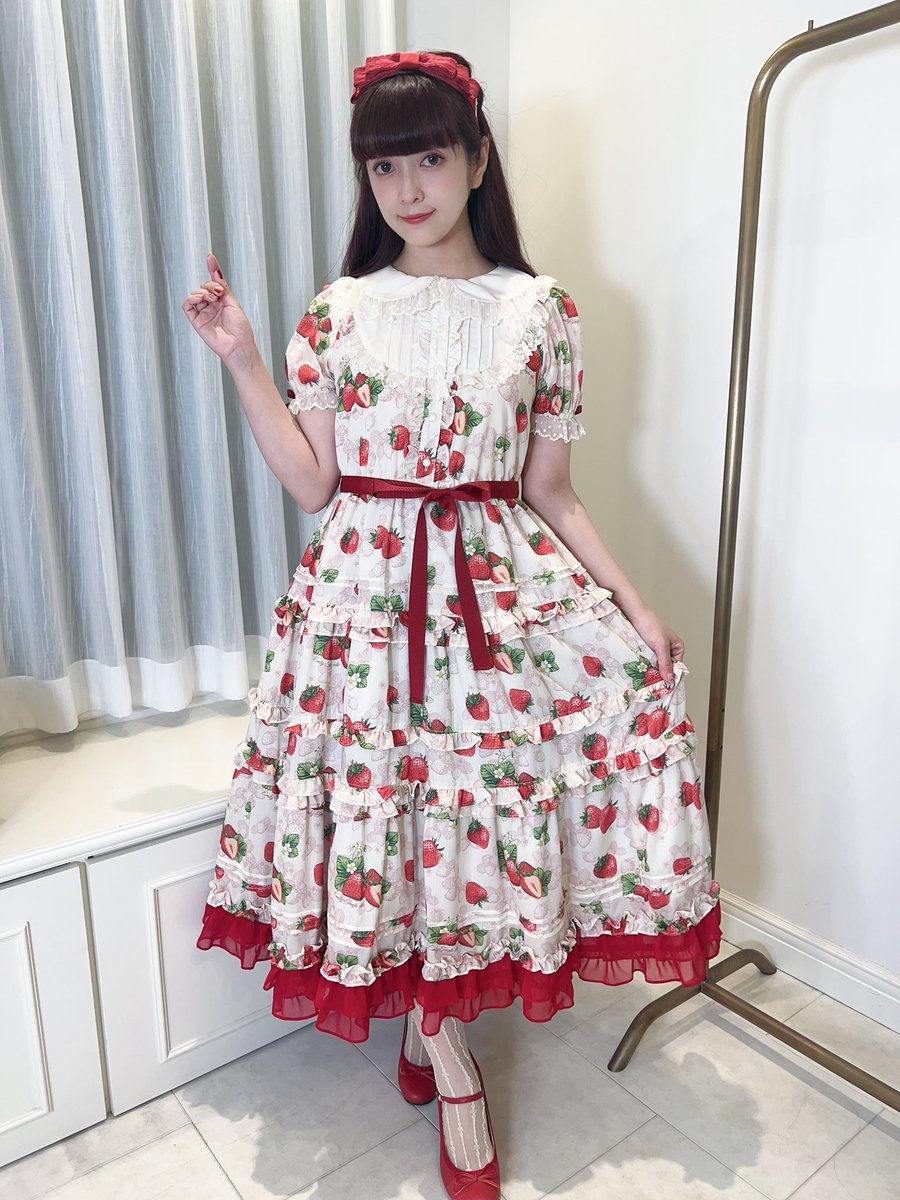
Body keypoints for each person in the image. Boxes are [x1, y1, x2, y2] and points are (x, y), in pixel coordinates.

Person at [184, 48, 722, 1200]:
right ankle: (448, 1052)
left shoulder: (543, 312)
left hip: (492, 599)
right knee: (390, 811)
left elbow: (552, 490)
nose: (406, 189)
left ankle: (435, 1031)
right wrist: (241, 358)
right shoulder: (336, 312)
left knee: (471, 820)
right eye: (383, 167)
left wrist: (634, 606)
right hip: (363, 609)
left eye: (428, 158)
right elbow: (314, 483)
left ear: (478, 160)